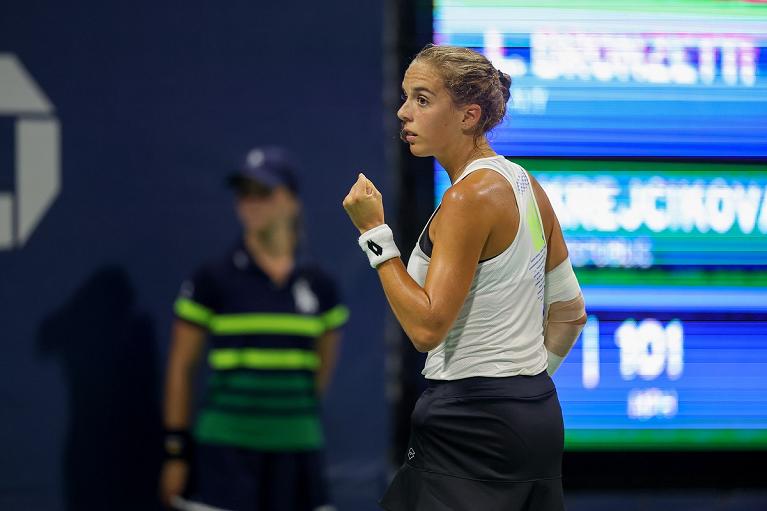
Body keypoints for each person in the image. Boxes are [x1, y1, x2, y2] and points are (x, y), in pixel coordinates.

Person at [342, 44, 586, 510]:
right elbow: (570, 314)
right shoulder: (527, 186)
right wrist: (519, 391)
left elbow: (426, 328)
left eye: (422, 99)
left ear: (468, 115)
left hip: (469, 423)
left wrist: (375, 234)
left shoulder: (467, 199)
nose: (403, 112)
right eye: (405, 97)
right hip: (534, 415)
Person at [160, 147, 349, 511]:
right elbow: (181, 369)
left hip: (298, 454)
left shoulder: (321, 285)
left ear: (292, 202)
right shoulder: (211, 279)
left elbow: (320, 371)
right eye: (244, 193)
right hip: (225, 455)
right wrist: (175, 452)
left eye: (264, 192)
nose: (250, 203)